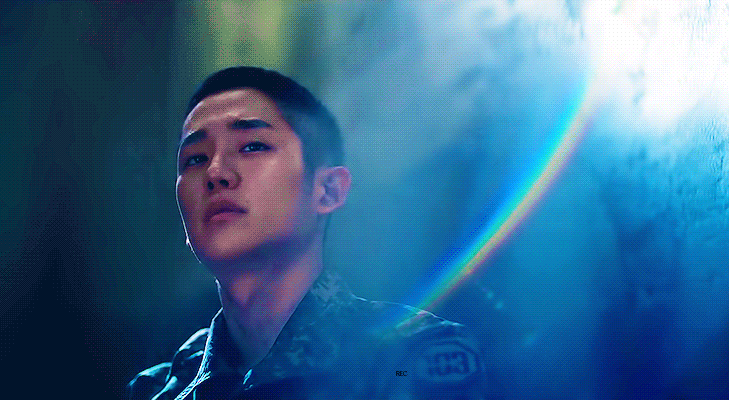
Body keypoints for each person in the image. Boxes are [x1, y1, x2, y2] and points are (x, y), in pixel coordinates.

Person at [126, 66, 486, 399]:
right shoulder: (155, 390)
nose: (215, 172)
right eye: (195, 159)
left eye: (253, 146)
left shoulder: (410, 356)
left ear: (327, 190)